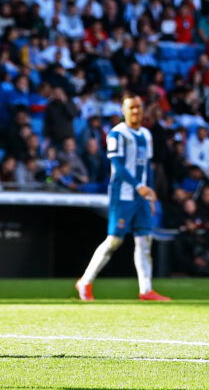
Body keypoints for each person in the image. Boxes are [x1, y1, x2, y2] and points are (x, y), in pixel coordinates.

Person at [75, 94, 170, 301]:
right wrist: (138, 187)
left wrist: (150, 193)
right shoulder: (117, 134)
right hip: (123, 196)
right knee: (114, 241)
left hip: (141, 197)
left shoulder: (146, 134)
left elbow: (147, 168)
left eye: (138, 107)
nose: (135, 111)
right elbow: (117, 167)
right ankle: (85, 281)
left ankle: (146, 289)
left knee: (145, 240)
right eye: (131, 108)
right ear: (124, 111)